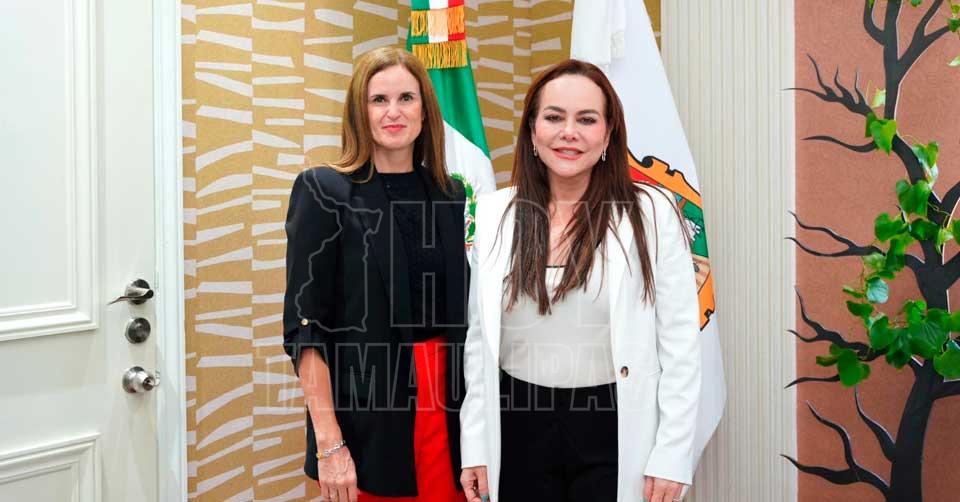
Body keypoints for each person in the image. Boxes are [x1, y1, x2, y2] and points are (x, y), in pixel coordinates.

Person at [458, 59, 702, 502]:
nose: (569, 132)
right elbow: (479, 342)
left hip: (613, 429)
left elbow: (681, 344)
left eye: (587, 120)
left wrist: (672, 454)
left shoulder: (652, 213)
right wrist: (475, 445)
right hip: (516, 428)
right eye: (554, 117)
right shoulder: (494, 213)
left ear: (608, 135)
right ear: (532, 131)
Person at [283, 47, 469, 502]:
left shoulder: (450, 194)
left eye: (406, 98)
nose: (393, 112)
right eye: (378, 100)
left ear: (425, 110)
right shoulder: (324, 190)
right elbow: (306, 331)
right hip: (370, 423)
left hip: (451, 413)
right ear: (359, 112)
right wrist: (329, 443)